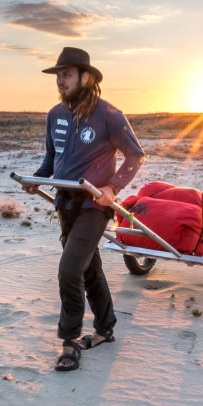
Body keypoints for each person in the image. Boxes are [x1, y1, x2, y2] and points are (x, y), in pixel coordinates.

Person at [25, 47, 145, 372]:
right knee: (88, 267)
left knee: (69, 270)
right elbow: (53, 160)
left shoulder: (109, 115)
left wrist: (113, 187)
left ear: (86, 77)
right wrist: (36, 179)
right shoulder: (54, 115)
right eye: (58, 76)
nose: (60, 81)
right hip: (65, 203)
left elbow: (135, 156)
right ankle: (105, 329)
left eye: (66, 75)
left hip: (95, 206)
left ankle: (70, 341)